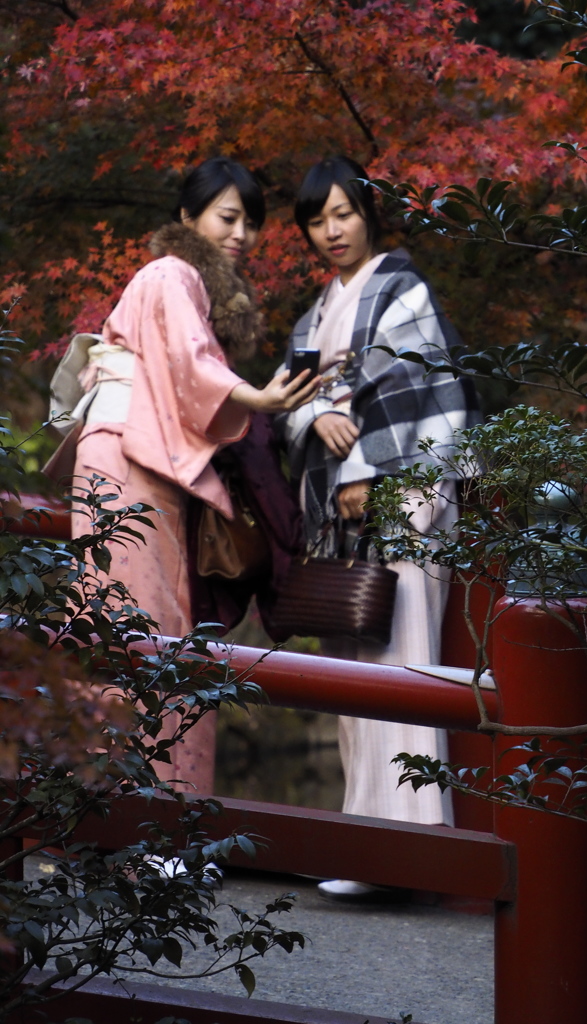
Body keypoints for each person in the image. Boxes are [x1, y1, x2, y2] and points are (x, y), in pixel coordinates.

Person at [66, 156, 319, 794]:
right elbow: (190, 360)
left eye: (251, 223)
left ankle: (117, 818)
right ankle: (155, 829)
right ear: (188, 217)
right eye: (227, 217)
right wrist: (257, 398)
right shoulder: (173, 272)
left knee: (129, 631)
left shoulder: (177, 281)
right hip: (129, 456)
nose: (241, 234)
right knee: (150, 636)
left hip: (124, 452)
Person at [276, 155, 480, 902]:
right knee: (355, 677)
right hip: (343, 513)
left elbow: (418, 383)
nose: (332, 231)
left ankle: (414, 850)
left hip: (402, 488)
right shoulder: (317, 311)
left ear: (368, 212)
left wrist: (362, 462)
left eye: (343, 213)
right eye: (317, 220)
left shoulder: (401, 286)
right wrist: (316, 414)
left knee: (403, 663)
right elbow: (290, 399)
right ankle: (367, 840)